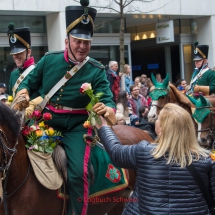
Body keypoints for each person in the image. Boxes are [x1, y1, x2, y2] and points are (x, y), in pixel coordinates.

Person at [14, 3, 116, 215]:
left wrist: (106, 109)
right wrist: (23, 93)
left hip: (76, 128)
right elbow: (29, 83)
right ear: (66, 40)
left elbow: (109, 102)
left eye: (86, 42)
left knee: (79, 173)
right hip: (43, 122)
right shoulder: (49, 60)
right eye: (77, 41)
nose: (81, 47)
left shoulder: (96, 70)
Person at [96, 103, 214, 215]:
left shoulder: (145, 152)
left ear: (162, 129)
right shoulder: (206, 161)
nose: (155, 120)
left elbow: (116, 152)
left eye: (158, 119)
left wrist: (103, 127)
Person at [7, 23, 42, 115]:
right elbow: (11, 96)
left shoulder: (38, 70)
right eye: (14, 54)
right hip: (16, 119)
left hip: (34, 119)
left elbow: (45, 95)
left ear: (29, 52)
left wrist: (33, 104)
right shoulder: (13, 74)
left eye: (19, 53)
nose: (15, 56)